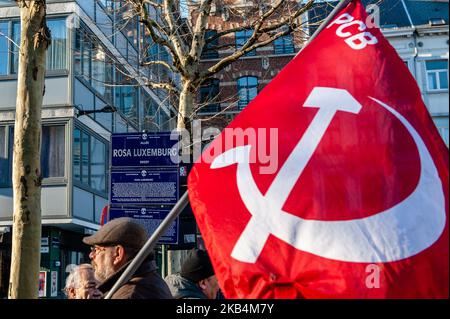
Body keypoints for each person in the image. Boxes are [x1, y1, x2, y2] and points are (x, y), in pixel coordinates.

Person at [83, 217, 173, 299]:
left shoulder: (130, 294)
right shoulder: (151, 282)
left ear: (118, 253)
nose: (91, 255)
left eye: (97, 249)